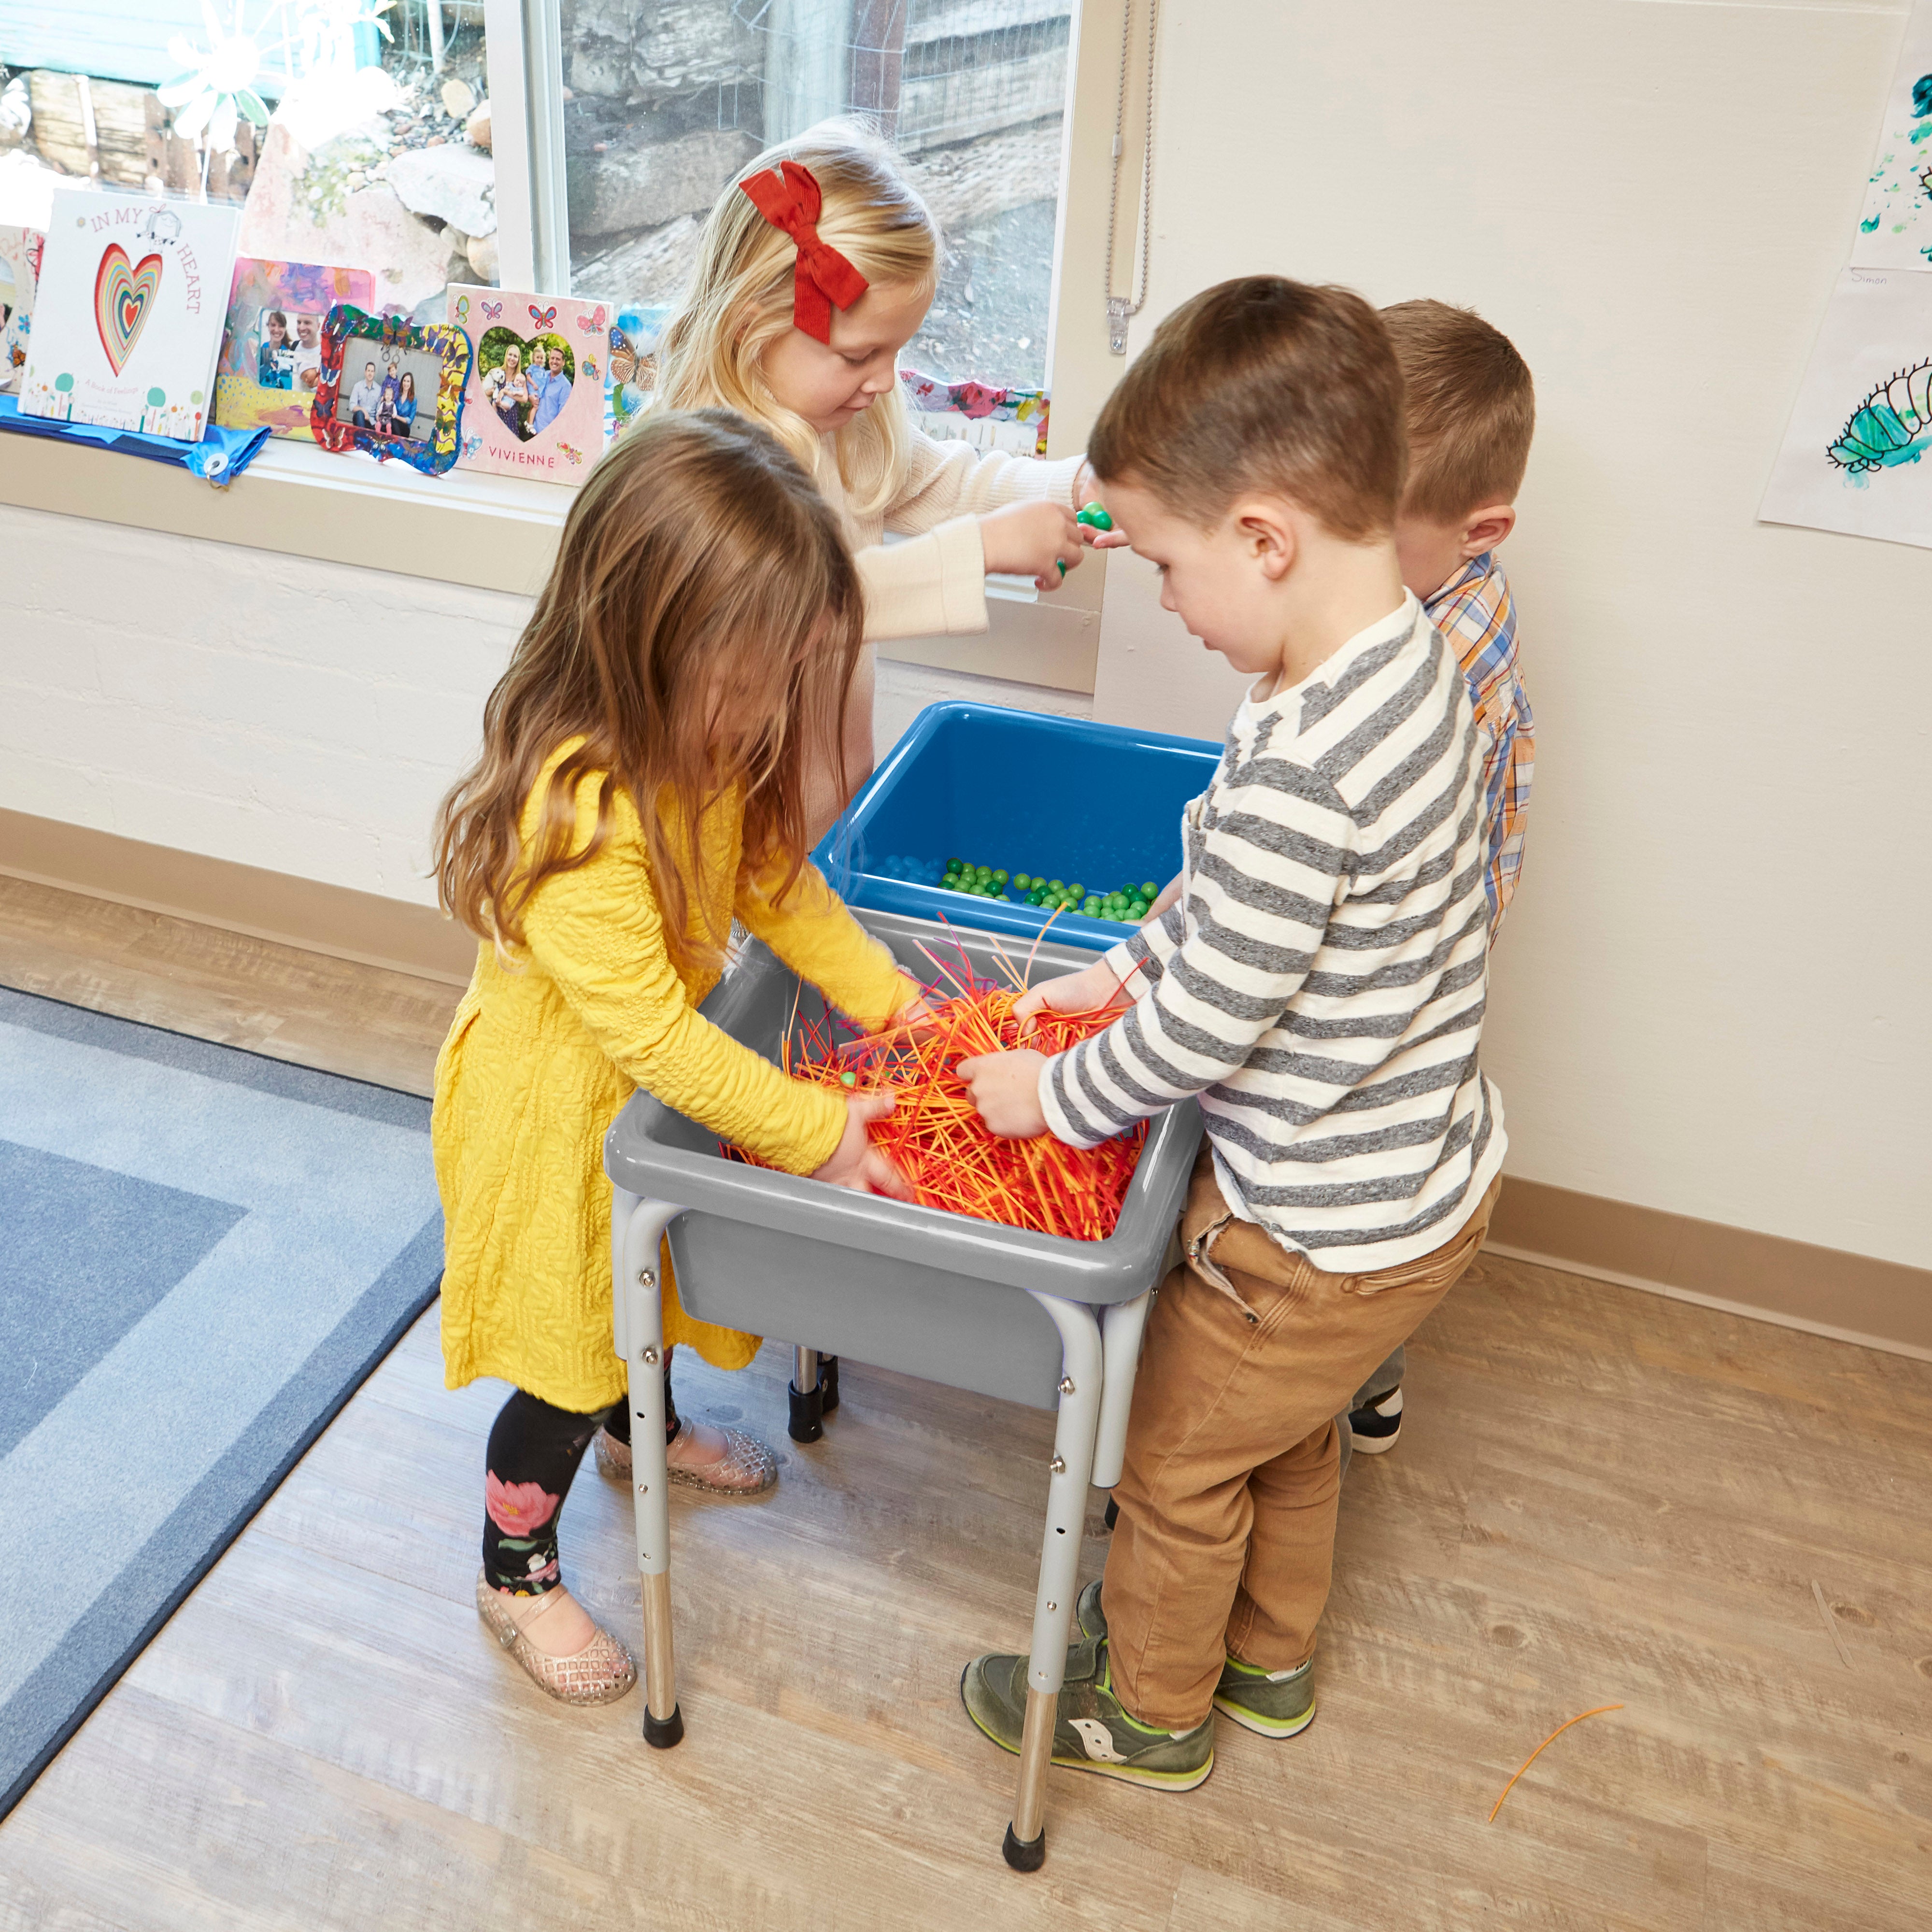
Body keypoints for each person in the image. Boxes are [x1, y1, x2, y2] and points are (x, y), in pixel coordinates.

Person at [952, 278, 1506, 1791]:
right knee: (1293, 1437)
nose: (1167, 602)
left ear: (1264, 536)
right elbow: (1229, 904)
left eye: (1167, 564)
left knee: (1179, 1458)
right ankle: (1266, 1662)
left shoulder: (1303, 760)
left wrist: (1047, 1093)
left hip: (1310, 1228)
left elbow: (1199, 1033)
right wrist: (1124, 959)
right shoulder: (1397, 658)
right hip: (1415, 1197)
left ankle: (1151, 1704)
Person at [431, 410, 928, 1705]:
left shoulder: (705, 750)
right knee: (565, 1344)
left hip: (640, 1103)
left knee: (639, 1287)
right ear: (660, 648)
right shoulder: (582, 816)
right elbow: (648, 1029)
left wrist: (893, 1006)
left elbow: (781, 888)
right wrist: (825, 1131)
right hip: (553, 1124)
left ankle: (627, 1432)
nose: (772, 710)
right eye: (758, 679)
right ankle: (514, 1565)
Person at [658, 122, 1124, 838]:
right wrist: (983, 550)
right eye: (859, 354)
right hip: (717, 843)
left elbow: (945, 482)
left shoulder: (844, 430)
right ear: (752, 330)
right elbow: (792, 611)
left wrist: (1079, 487)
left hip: (825, 819)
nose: (885, 379)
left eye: (897, 350)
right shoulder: (697, 476)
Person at [1340, 298, 1536, 1458]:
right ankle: (1364, 1365)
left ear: (1478, 525)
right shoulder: (1428, 595)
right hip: (1405, 957)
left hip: (1403, 979)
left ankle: (1360, 1361)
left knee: (1372, 1186)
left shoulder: (1441, 661)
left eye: (1369, 536)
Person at [483, 341, 531, 439]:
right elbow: (485, 392)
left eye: (515, 356)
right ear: (506, 356)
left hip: (510, 419)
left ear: (518, 360)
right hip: (494, 416)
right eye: (510, 355)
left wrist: (505, 392)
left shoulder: (520, 378)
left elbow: (525, 399)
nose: (512, 359)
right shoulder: (497, 372)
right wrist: (494, 392)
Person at [529, 341, 572, 437]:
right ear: (549, 360)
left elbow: (563, 417)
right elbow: (532, 391)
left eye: (558, 359)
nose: (554, 361)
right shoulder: (543, 375)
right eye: (552, 358)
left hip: (549, 436)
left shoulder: (566, 386)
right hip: (534, 430)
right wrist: (530, 397)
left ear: (563, 363)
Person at [258, 310, 293, 389]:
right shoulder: (263, 347)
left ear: (285, 329)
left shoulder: (289, 351)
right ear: (268, 326)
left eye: (281, 326)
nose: (277, 330)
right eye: (273, 325)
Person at [290, 313, 323, 394]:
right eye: (299, 322)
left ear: (318, 326)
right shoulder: (294, 346)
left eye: (307, 323)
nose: (301, 328)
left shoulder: (324, 353)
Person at [345, 360, 381, 428]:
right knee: (360, 413)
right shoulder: (358, 386)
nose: (370, 374)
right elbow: (352, 406)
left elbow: (378, 410)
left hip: (372, 422)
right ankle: (361, 435)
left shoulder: (379, 390)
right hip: (359, 418)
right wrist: (363, 411)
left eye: (372, 371)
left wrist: (379, 422)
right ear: (365, 372)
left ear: (374, 373)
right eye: (369, 371)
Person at [390, 369, 419, 440]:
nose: (406, 384)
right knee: (393, 421)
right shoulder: (397, 395)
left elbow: (410, 420)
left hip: (404, 428)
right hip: (394, 424)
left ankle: (400, 441)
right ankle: (400, 442)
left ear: (411, 383)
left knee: (395, 420)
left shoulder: (414, 400)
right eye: (404, 381)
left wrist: (397, 417)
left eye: (408, 381)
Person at [376, 359, 402, 434]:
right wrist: (383, 395)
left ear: (396, 370)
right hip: (385, 398)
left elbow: (397, 392)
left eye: (393, 371)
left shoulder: (397, 383)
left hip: (391, 400)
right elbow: (384, 386)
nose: (392, 373)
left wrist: (392, 400)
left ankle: (389, 434)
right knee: (381, 405)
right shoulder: (387, 378)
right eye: (390, 371)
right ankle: (378, 422)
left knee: (389, 423)